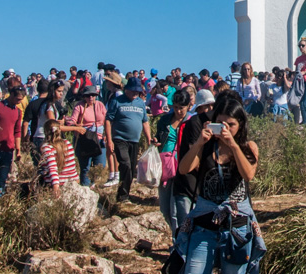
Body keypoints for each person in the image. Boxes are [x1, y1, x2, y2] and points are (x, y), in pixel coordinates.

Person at [171, 96, 266, 273]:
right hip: (204, 224)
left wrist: (233, 146)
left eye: (231, 125)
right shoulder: (206, 146)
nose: (225, 129)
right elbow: (184, 169)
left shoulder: (248, 147)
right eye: (220, 123)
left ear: (241, 125)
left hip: (236, 227)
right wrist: (199, 143)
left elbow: (248, 174)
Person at [104, 77, 151, 203]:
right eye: (133, 91)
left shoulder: (140, 103)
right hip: (120, 138)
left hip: (134, 140)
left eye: (137, 91)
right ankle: (123, 195)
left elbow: (145, 122)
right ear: (126, 90)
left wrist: (149, 138)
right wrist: (109, 140)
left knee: (130, 168)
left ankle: (123, 194)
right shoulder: (117, 101)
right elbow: (108, 120)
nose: (135, 93)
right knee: (125, 164)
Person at [155, 89, 190, 234]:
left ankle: (178, 240)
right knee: (165, 207)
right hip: (165, 167)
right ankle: (175, 234)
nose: (178, 111)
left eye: (181, 108)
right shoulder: (164, 121)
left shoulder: (191, 122)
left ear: (188, 106)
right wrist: (156, 141)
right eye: (175, 107)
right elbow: (159, 137)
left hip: (183, 167)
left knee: (177, 207)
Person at [66, 85, 108, 187]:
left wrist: (107, 134)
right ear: (84, 97)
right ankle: (85, 188)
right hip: (85, 139)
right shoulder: (79, 106)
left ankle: (96, 186)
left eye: (93, 95)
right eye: (88, 96)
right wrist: (73, 124)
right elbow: (73, 120)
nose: (91, 98)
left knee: (100, 165)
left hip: (98, 138)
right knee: (85, 167)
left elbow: (106, 120)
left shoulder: (100, 105)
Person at [39, 119, 78, 196]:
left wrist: (55, 186)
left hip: (56, 184)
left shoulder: (47, 148)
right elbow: (72, 165)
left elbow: (52, 168)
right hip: (72, 182)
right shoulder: (67, 144)